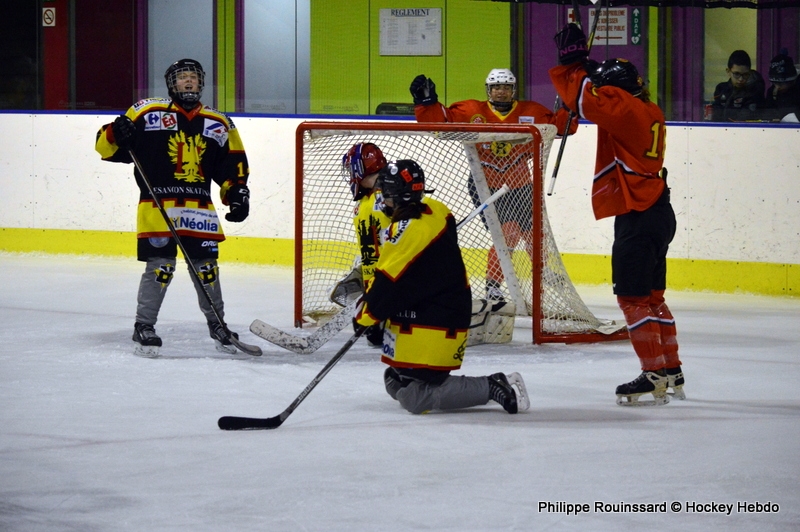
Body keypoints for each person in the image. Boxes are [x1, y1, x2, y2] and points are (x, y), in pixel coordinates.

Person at [549, 23, 684, 406]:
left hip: (640, 216)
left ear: (618, 91)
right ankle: (670, 367)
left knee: (632, 299)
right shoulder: (646, 108)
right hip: (658, 212)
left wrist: (573, 64)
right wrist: (591, 73)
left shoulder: (624, 109)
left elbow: (583, 102)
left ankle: (652, 373)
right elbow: (595, 104)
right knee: (653, 297)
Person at [95, 58, 251, 357]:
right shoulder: (145, 111)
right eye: (182, 78)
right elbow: (105, 146)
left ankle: (218, 325)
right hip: (157, 207)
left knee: (207, 270)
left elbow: (231, 167)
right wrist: (116, 132)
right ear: (172, 84)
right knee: (161, 268)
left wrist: (237, 194)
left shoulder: (219, 122)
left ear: (201, 82)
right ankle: (144, 325)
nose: (188, 82)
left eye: (193, 76)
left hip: (199, 211)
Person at [355, 159, 530, 415]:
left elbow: (387, 283)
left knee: (415, 399)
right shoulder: (436, 209)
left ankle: (492, 385)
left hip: (438, 318)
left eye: (386, 195)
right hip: (434, 307)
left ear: (398, 197)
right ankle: (424, 380)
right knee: (396, 381)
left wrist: (366, 316)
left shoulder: (407, 231)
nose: (383, 201)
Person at [409, 69, 577, 300]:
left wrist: (571, 107)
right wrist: (425, 104)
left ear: (513, 90)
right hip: (485, 185)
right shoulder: (471, 111)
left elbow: (561, 128)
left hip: (521, 185)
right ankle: (493, 285)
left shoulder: (532, 111)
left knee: (533, 234)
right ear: (488, 90)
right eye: (496, 87)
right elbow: (440, 123)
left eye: (506, 87)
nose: (501, 91)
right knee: (507, 235)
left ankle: (542, 274)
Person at [332, 142, 392, 347]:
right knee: (374, 336)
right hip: (376, 283)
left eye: (351, 169)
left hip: (392, 282)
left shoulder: (388, 196)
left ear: (361, 167)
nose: (350, 175)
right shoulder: (364, 201)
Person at [711, 50, 766, 122]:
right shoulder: (721, 89)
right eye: (736, 74)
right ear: (728, 71)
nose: (741, 79)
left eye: (745, 75)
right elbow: (715, 117)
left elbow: (746, 118)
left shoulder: (754, 91)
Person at [764, 51, 800, 122]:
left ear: (791, 80)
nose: (777, 87)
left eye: (781, 83)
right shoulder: (772, 92)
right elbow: (767, 113)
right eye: (774, 83)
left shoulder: (798, 88)